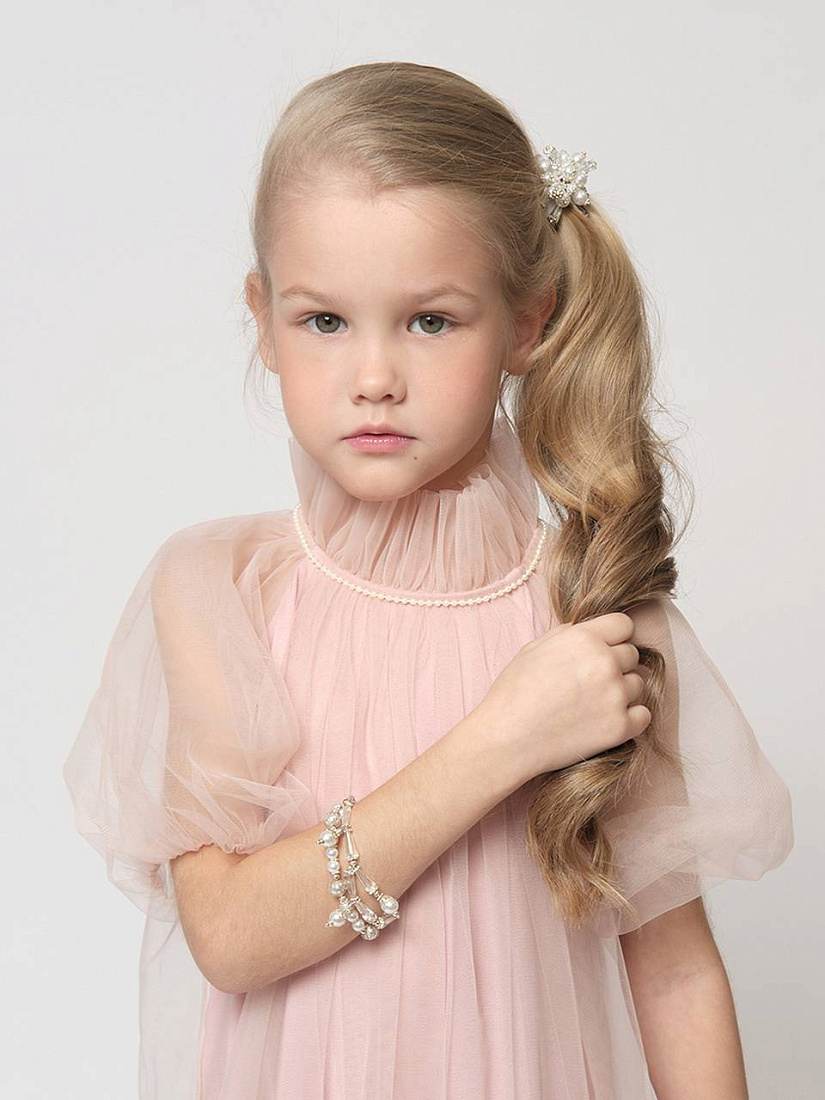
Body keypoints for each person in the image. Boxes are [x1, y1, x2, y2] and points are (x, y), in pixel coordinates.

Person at [62, 60, 794, 1100]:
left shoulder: (591, 605)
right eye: (324, 321)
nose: (374, 378)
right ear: (262, 318)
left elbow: (674, 974)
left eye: (430, 320)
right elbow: (226, 935)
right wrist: (503, 738)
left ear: (527, 323)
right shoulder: (221, 589)